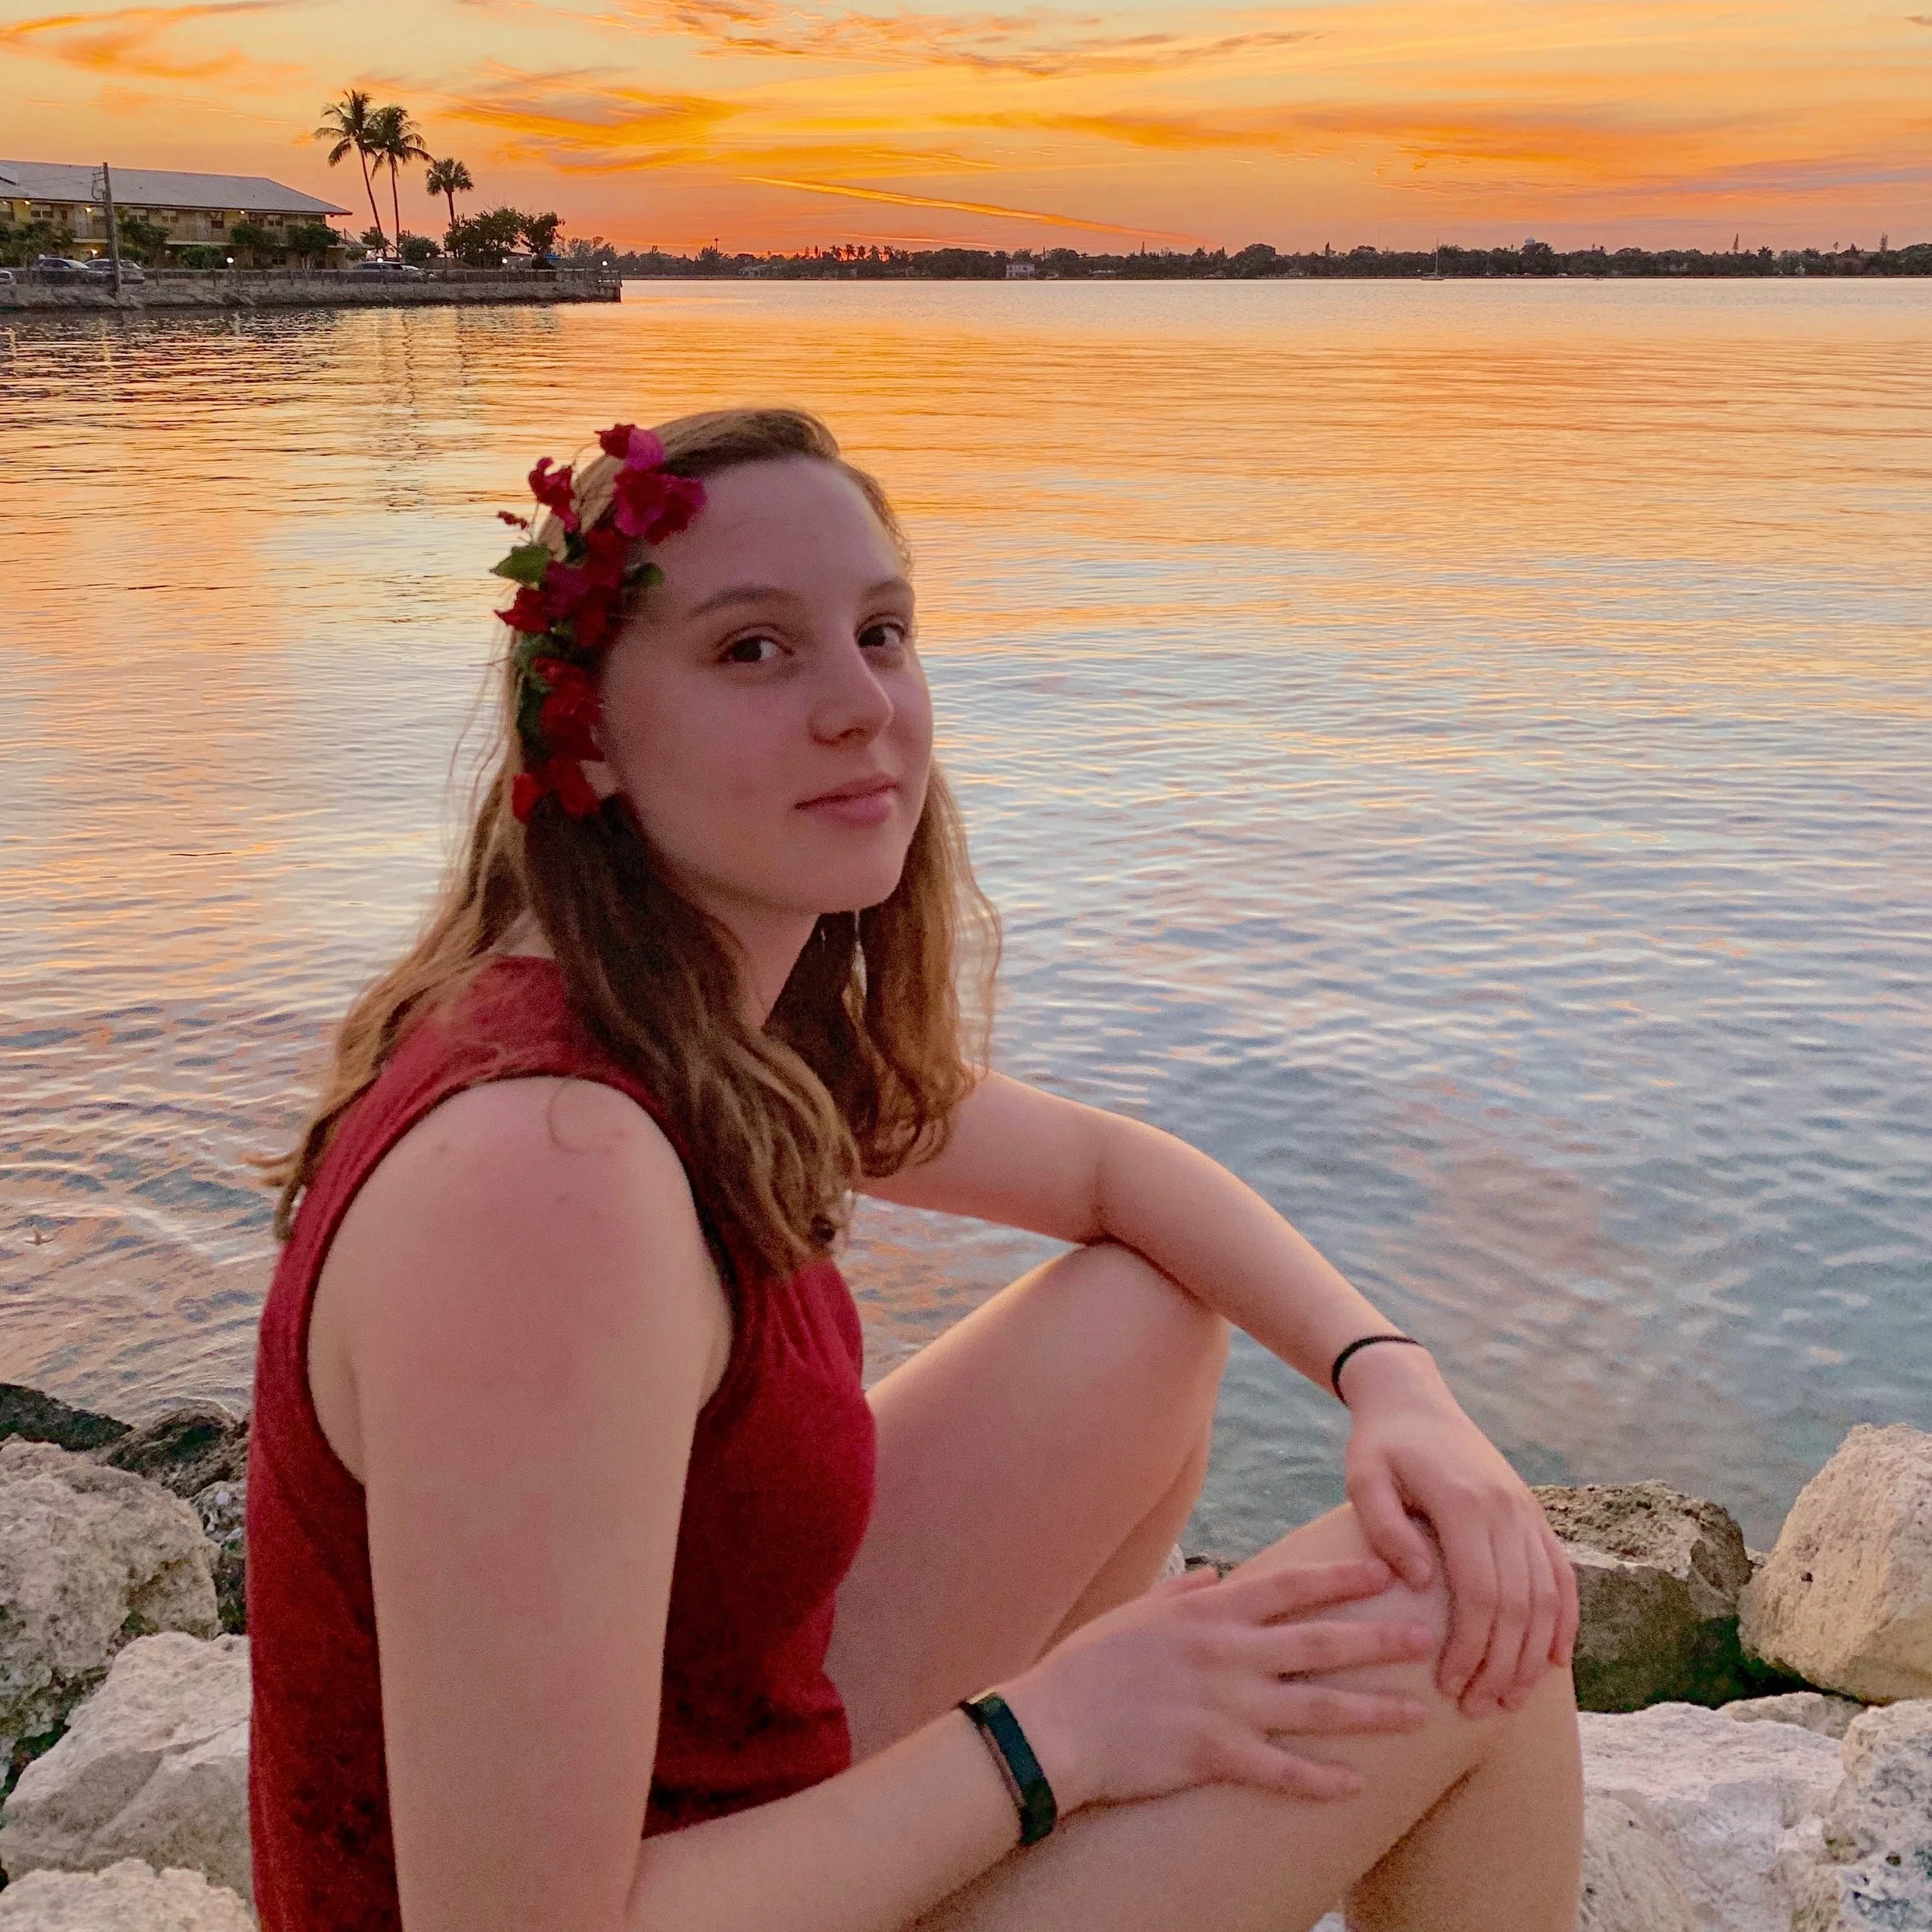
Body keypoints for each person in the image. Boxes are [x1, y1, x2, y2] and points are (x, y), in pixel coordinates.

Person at [246, 406, 1583, 1932]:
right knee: (1459, 1615)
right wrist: (1053, 1733)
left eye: (879, 631)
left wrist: (1389, 1379)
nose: (859, 705)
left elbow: (1105, 1168)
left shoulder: (689, 1019)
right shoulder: (546, 1175)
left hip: (735, 1828)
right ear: (591, 734)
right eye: (755, 649)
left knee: (1142, 1314)